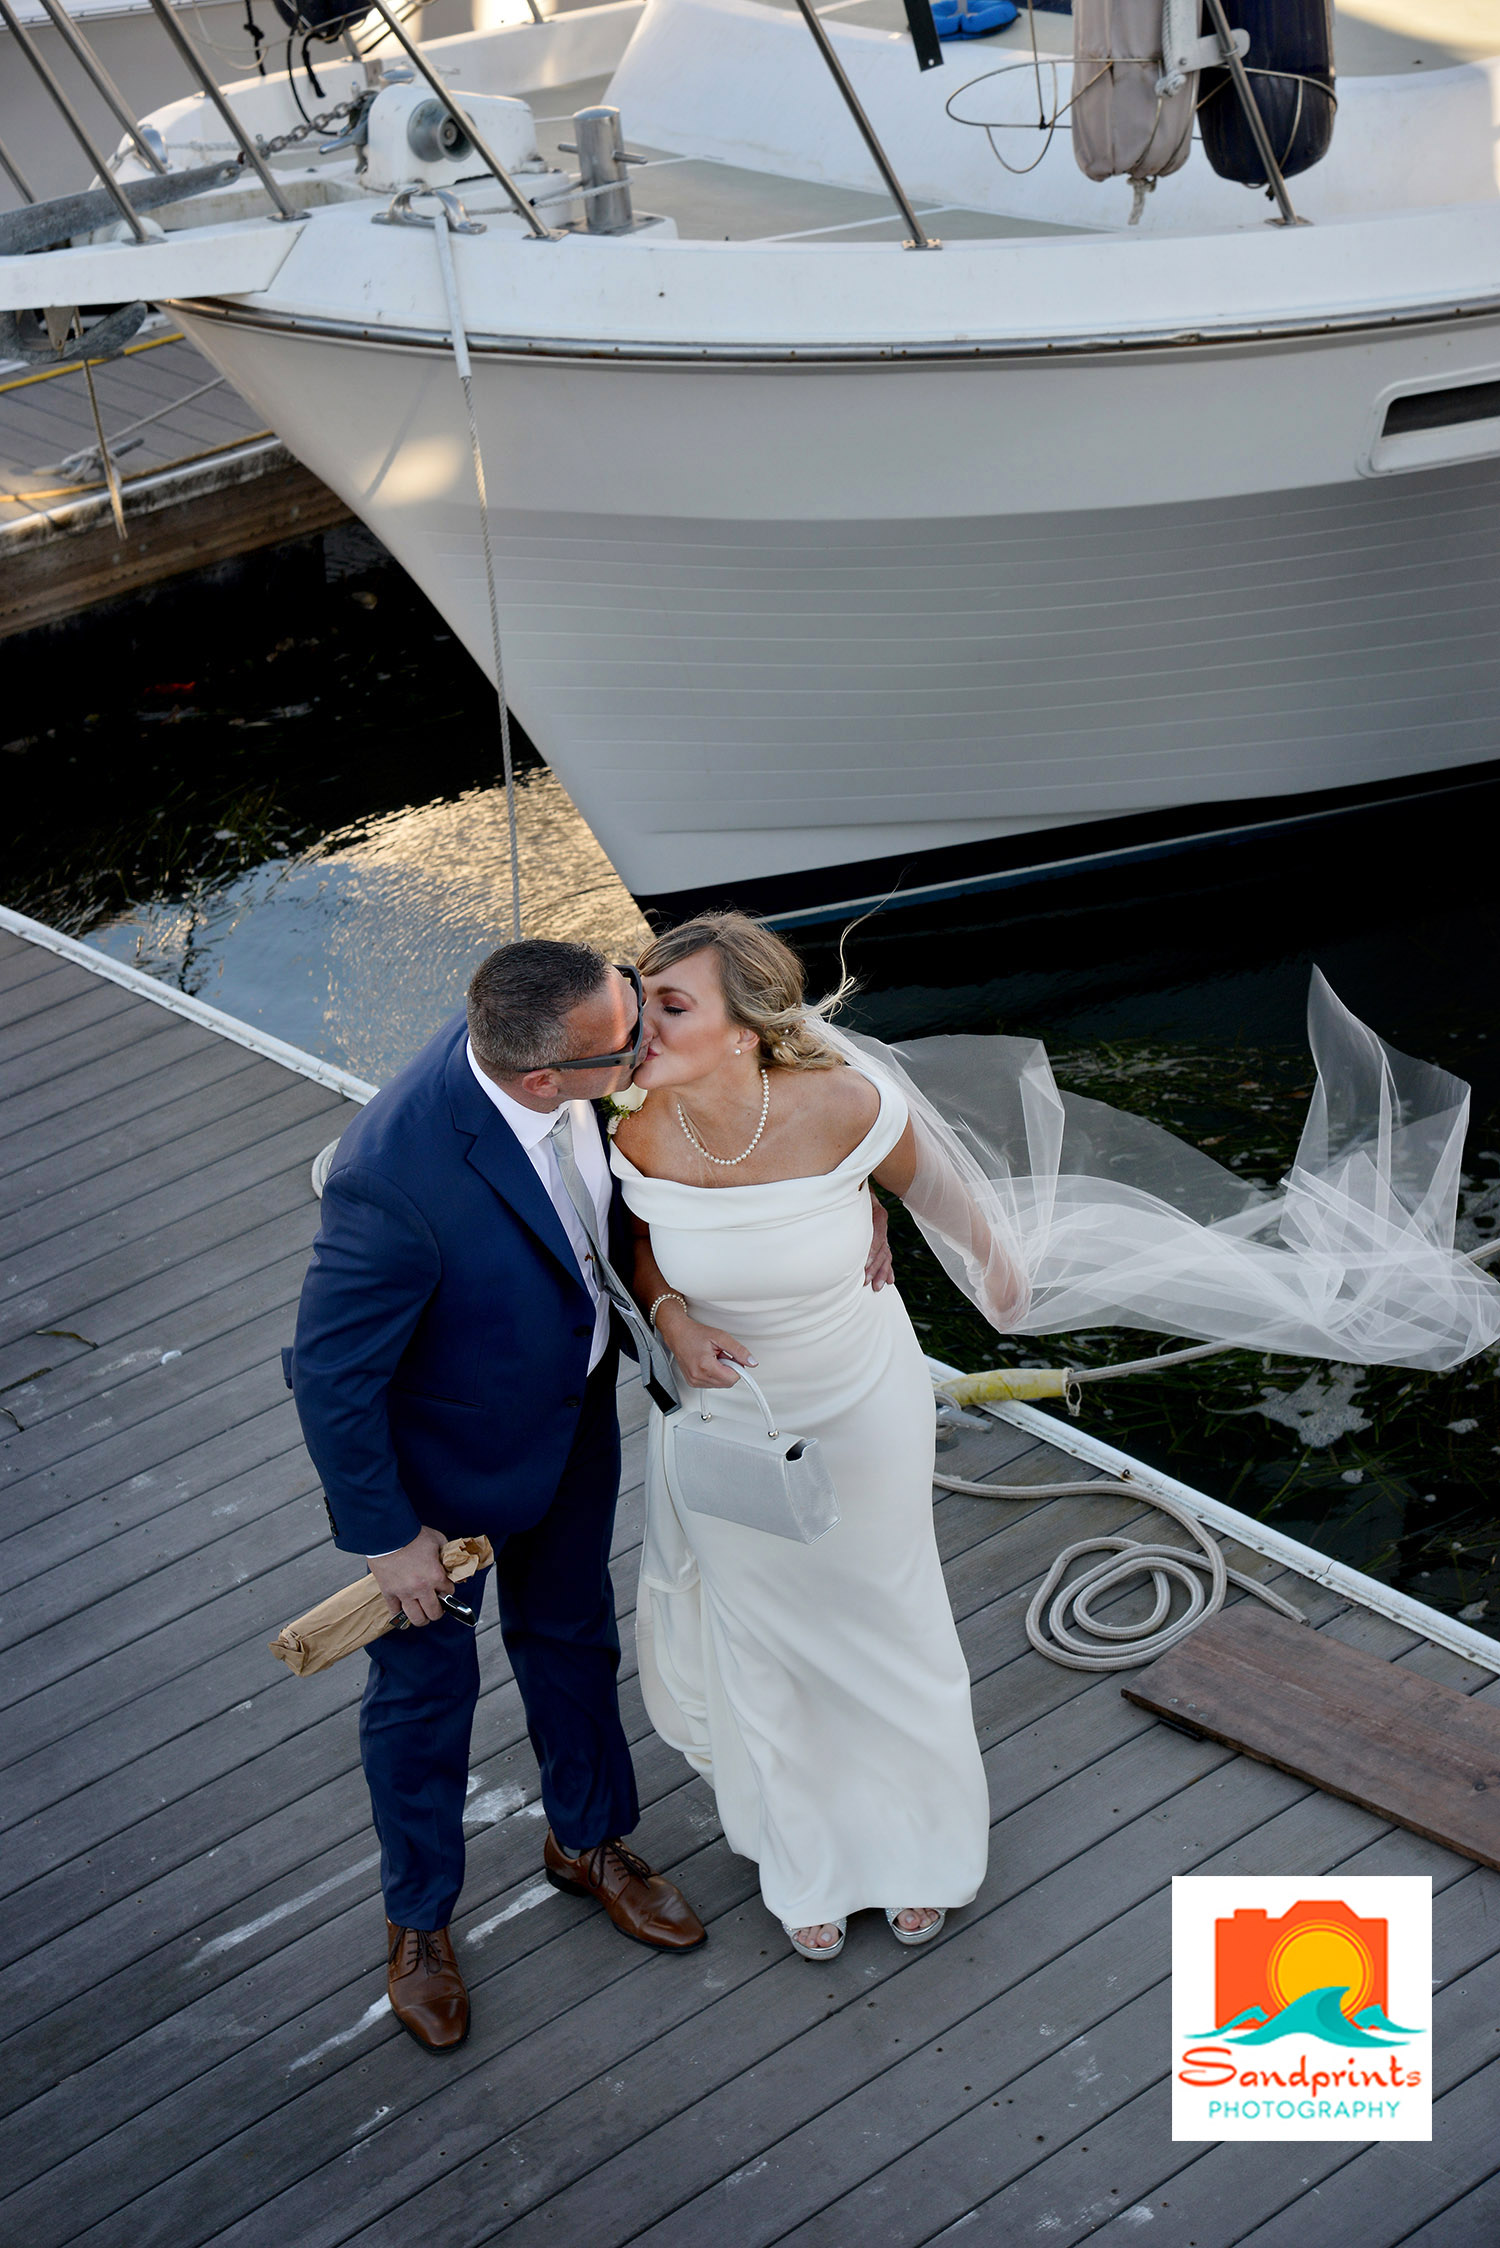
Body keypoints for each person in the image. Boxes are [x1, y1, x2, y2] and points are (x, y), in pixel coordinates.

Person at [287, 939, 708, 2055]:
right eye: (631, 1037)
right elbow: (328, 1374)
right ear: (542, 1080)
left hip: (569, 1425)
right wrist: (388, 1540)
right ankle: (419, 1919)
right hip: (445, 1483)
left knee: (572, 1637)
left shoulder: (548, 1056)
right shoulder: (392, 1178)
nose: (648, 1042)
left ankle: (589, 1840)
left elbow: (598, 1217)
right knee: (423, 1705)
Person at [611, 913, 1015, 1960]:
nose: (640, 1021)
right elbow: (638, 1253)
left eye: (671, 1003)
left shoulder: (849, 1104)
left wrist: (997, 1273)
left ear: (745, 1029)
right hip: (729, 1414)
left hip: (862, 1398)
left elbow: (963, 1222)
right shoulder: (633, 1126)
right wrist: (670, 1318)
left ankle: (921, 1848)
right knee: (767, 1641)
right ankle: (810, 1858)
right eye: (644, 996)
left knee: (885, 1616)